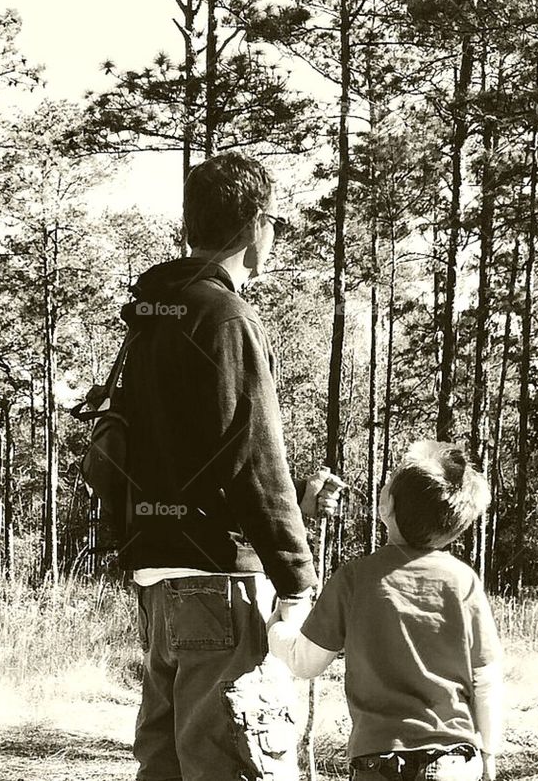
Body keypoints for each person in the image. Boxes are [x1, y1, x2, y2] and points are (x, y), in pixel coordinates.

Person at [121, 151, 343, 781]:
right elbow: (251, 457)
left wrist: (292, 502)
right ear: (256, 225)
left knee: (167, 765)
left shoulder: (153, 314)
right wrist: (297, 578)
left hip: (161, 583)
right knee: (235, 763)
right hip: (220, 583)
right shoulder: (227, 316)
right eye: (276, 222)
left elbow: (183, 453)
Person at [268, 441, 504, 781]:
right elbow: (486, 679)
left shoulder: (355, 578)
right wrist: (488, 754)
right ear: (455, 527)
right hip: (453, 762)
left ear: (386, 505)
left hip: (377, 763)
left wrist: (277, 626)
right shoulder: (462, 581)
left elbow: (305, 662)